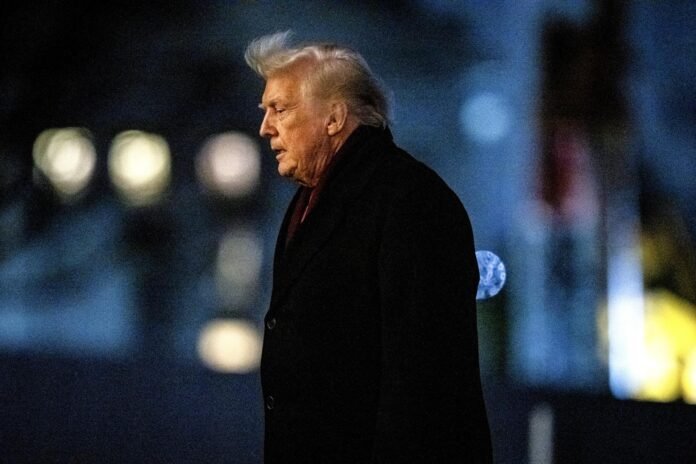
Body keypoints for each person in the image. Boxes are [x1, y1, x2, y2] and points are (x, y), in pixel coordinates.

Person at [245, 31, 493, 463]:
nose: (265, 127)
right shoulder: (309, 202)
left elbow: (423, 382)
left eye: (280, 109)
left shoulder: (411, 201)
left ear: (334, 118)